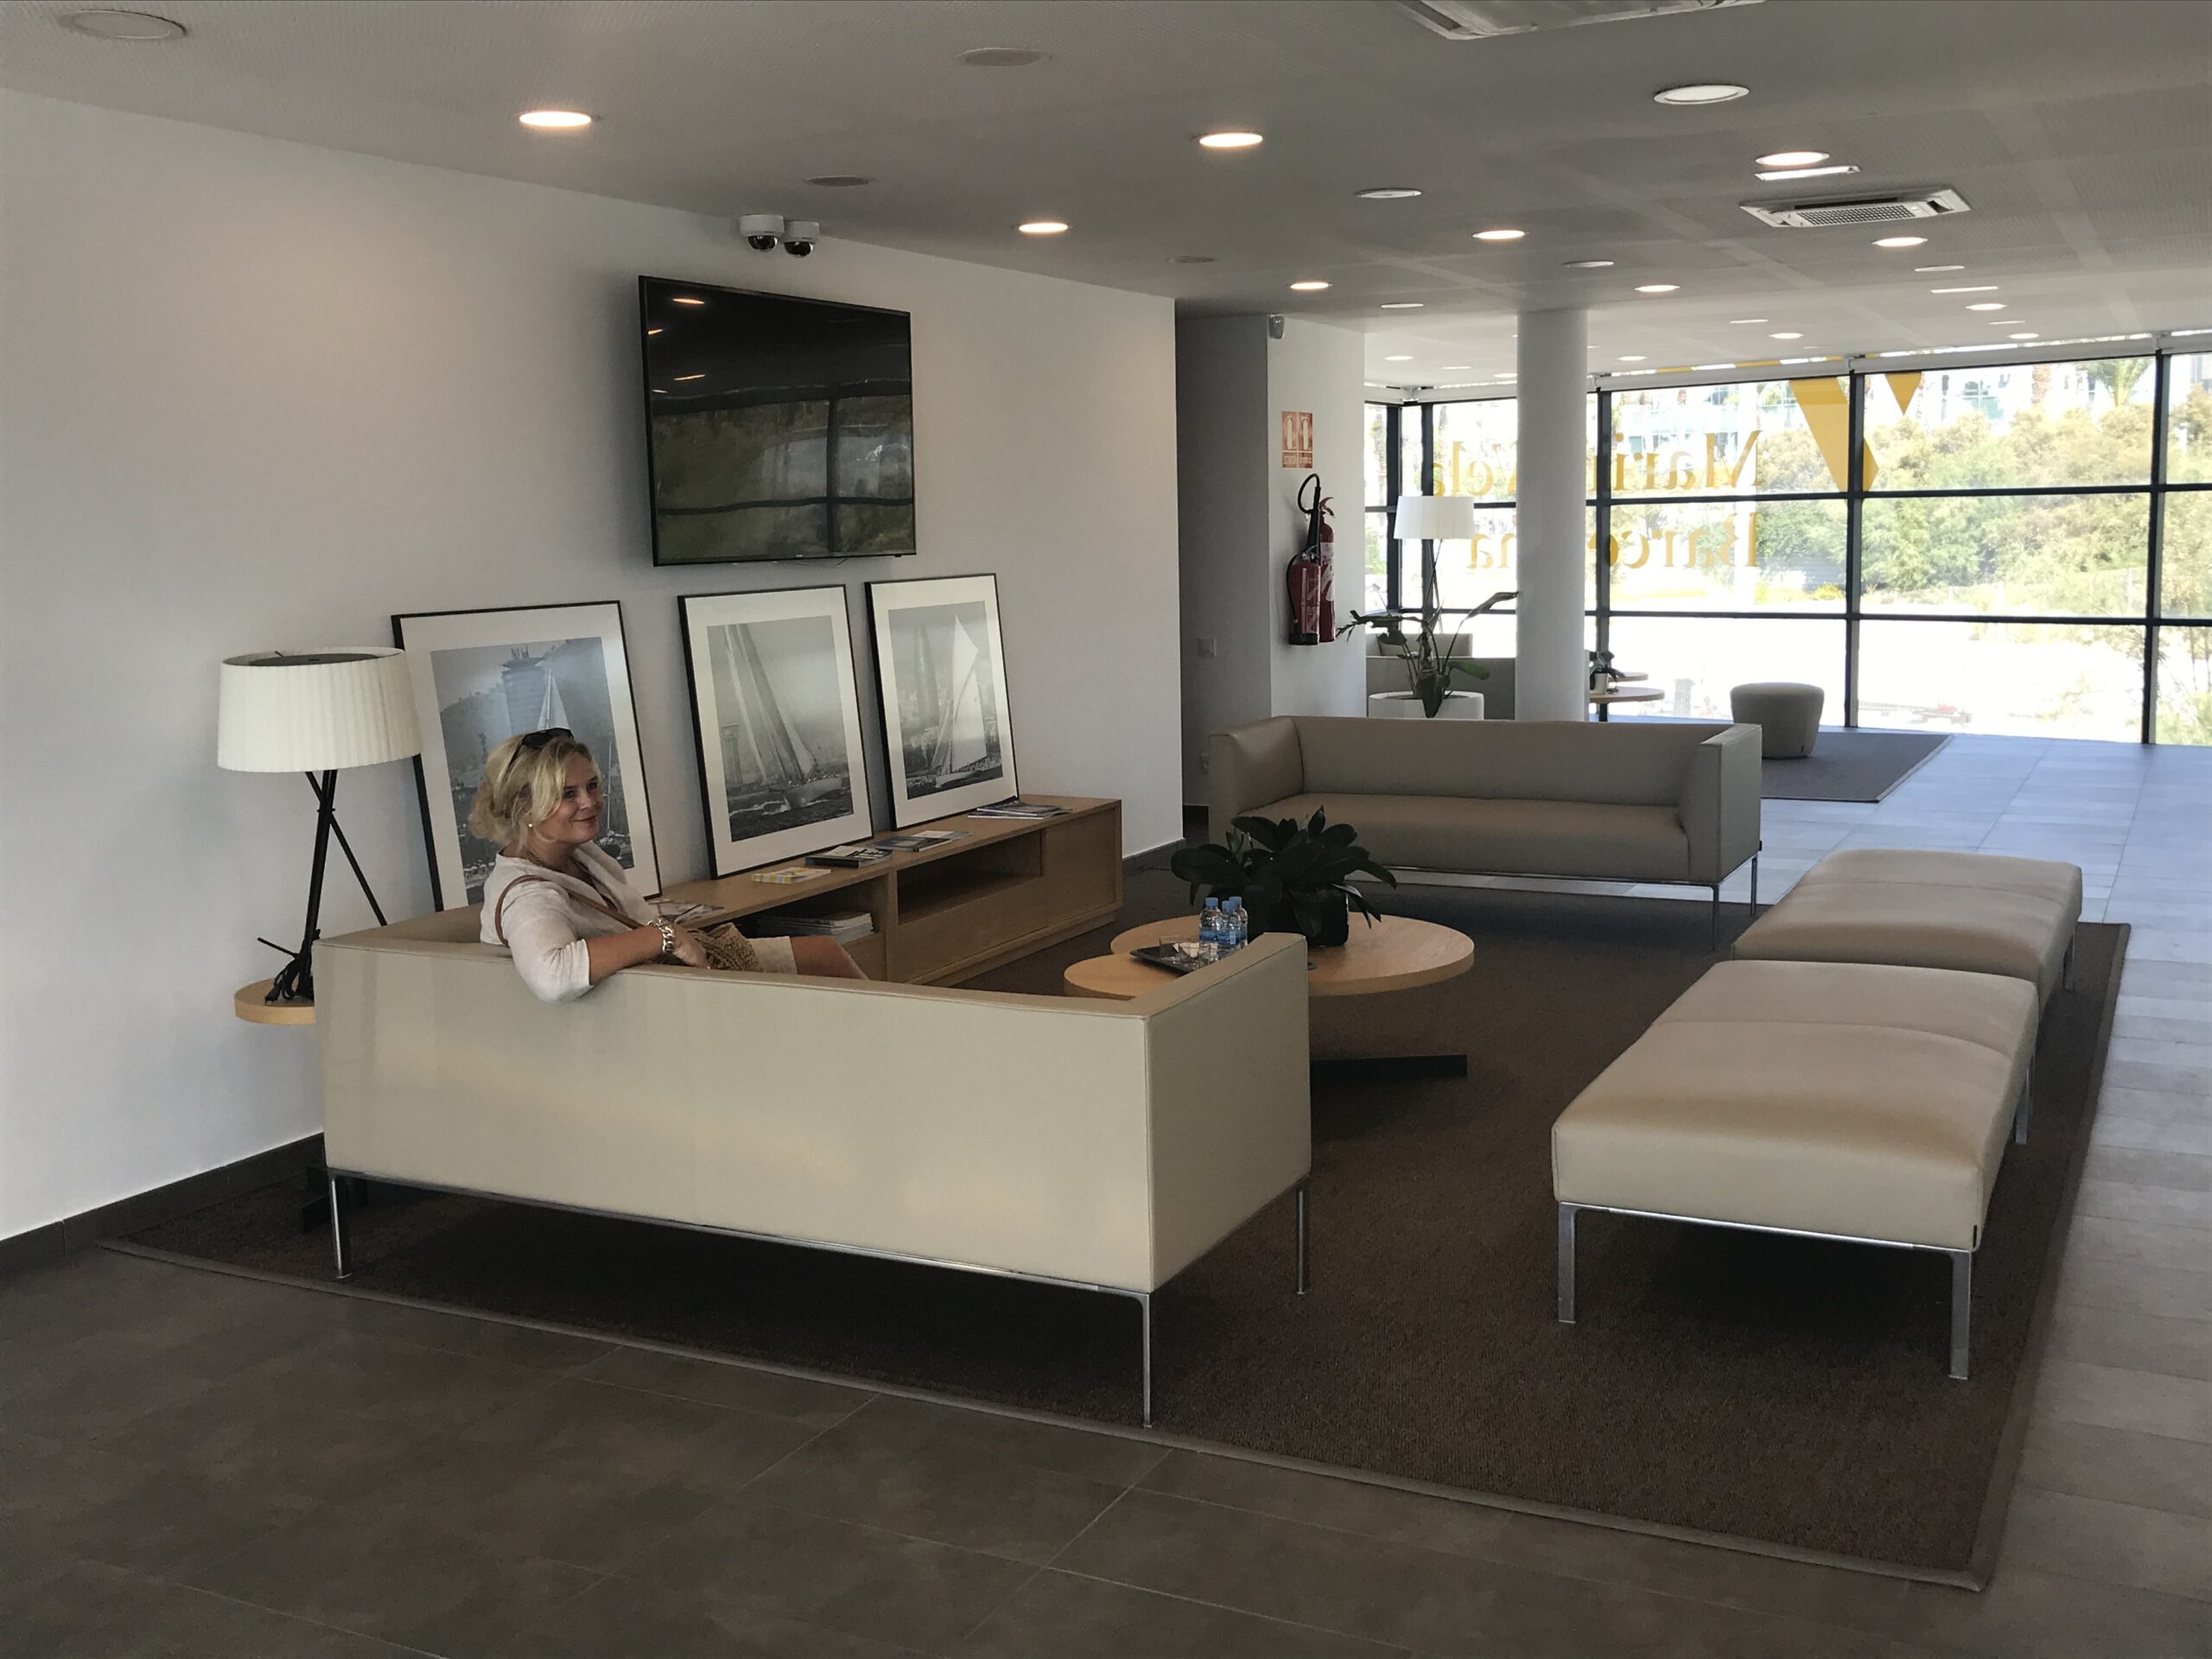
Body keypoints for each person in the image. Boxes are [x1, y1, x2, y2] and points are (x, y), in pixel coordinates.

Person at [470, 728, 865, 1001]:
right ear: (525, 807)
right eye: (567, 794)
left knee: (824, 954)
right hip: (651, 1003)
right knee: (817, 978)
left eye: (592, 785)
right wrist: (664, 935)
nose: (589, 802)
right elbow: (552, 976)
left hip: (666, 981)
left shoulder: (581, 855)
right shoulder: (527, 895)